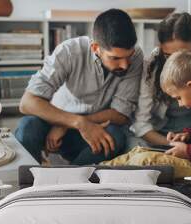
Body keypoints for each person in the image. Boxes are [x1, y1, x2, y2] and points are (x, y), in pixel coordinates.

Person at [15, 9, 143, 165]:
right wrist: (75, 123)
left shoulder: (136, 57)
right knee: (27, 126)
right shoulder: (69, 51)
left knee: (116, 136)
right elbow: (27, 103)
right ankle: (31, 183)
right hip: (54, 126)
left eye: (128, 57)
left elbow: (121, 114)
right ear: (96, 48)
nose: (124, 65)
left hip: (92, 127)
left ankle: (71, 179)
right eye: (115, 58)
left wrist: (82, 124)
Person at [104, 51, 191, 185]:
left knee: (147, 160)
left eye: (178, 98)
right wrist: (188, 136)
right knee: (138, 151)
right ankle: (97, 170)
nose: (180, 104)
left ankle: (102, 176)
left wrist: (188, 151)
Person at [129, 12, 191, 149]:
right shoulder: (152, 64)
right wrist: (172, 144)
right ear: (160, 48)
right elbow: (141, 123)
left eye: (185, 55)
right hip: (162, 135)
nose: (175, 62)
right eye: (168, 55)